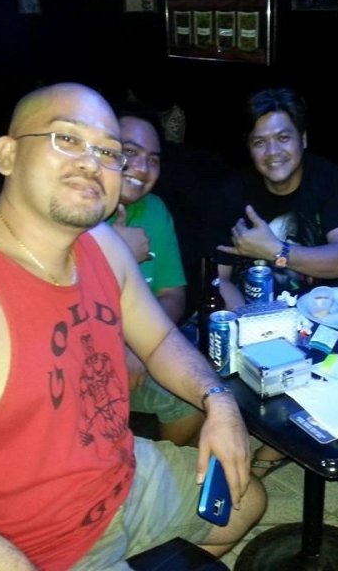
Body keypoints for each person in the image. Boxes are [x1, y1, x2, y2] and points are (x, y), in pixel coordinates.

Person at [0, 82, 265, 571]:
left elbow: (159, 339)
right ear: (8, 154)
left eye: (109, 152)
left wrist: (218, 401)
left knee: (246, 499)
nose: (92, 162)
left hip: (118, 477)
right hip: (25, 545)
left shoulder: (104, 245)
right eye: (68, 139)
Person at [213, 87, 338, 477]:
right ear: (249, 148)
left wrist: (277, 250)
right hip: (251, 318)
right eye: (259, 142)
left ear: (303, 139)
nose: (272, 151)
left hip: (319, 320)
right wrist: (252, 328)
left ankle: (277, 442)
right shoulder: (233, 190)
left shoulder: (330, 180)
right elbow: (220, 280)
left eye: (283, 137)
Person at [109, 102, 204, 446]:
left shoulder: (154, 210)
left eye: (153, 159)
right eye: (130, 152)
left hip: (141, 344)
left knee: (201, 390)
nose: (142, 167)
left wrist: (141, 344)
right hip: (78, 360)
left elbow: (173, 293)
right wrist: (112, 252)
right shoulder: (75, 208)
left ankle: (167, 468)